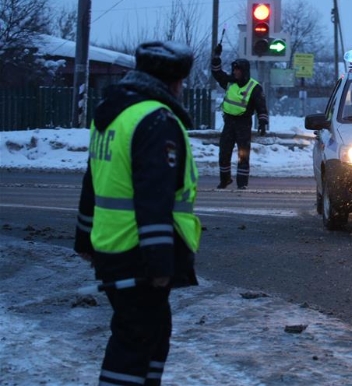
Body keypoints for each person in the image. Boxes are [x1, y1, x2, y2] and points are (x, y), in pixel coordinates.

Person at [73, 40, 202, 386]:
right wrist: (160, 265)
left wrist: (84, 238)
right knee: (134, 342)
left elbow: (93, 182)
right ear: (172, 82)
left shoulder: (114, 114)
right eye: (181, 81)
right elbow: (154, 197)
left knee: (153, 335)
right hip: (138, 255)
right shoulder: (155, 120)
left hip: (112, 247)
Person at [211, 44, 269, 189]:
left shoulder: (254, 87)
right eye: (234, 69)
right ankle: (225, 180)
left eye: (237, 70)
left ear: (244, 71)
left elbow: (261, 106)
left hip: (244, 123)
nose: (235, 72)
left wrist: (262, 121)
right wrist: (216, 57)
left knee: (243, 154)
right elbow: (217, 73)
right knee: (224, 152)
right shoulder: (230, 82)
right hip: (229, 122)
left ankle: (242, 184)